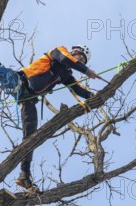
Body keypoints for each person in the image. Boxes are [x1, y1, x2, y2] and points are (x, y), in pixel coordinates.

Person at [14, 45, 100, 189]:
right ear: (77, 53)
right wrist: (86, 71)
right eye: (81, 59)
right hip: (21, 81)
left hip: (28, 97)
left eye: (83, 62)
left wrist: (93, 96)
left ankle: (24, 175)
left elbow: (77, 88)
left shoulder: (66, 74)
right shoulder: (59, 52)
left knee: (30, 135)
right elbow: (67, 59)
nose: (80, 61)